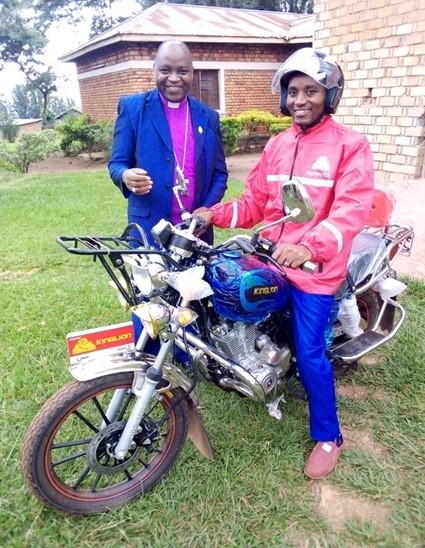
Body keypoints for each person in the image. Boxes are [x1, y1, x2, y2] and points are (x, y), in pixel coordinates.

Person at [193, 48, 375, 479]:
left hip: (316, 270)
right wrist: (212, 214)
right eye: (293, 91)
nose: (300, 100)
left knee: (312, 353)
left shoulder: (351, 145)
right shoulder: (278, 145)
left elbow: (351, 210)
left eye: (311, 91)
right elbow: (256, 202)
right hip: (271, 259)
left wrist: (310, 247)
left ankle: (329, 436)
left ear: (329, 94)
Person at [108, 39, 228, 246]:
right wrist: (125, 176)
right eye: (165, 70)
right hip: (147, 229)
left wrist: (206, 209)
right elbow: (117, 164)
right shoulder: (132, 109)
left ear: (192, 72)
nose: (174, 78)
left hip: (195, 233)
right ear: (154, 69)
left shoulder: (208, 117)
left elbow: (219, 174)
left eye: (182, 71)